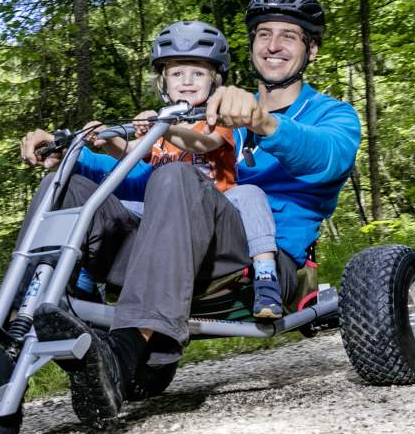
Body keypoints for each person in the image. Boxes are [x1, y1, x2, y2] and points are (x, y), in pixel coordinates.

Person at [17, 0, 361, 416]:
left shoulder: (332, 116)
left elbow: (327, 160)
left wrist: (265, 123)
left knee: (178, 177)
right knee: (67, 185)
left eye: (288, 36)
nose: (273, 46)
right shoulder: (202, 111)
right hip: (170, 248)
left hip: (256, 262)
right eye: (263, 34)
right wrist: (69, 155)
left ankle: (124, 353)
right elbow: (140, 177)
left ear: (310, 50)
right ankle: (24, 321)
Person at [84, 21, 289, 318]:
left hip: (218, 208)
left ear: (214, 81)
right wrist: (104, 138)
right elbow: (129, 153)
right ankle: (87, 284)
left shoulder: (217, 118)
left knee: (251, 194)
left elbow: (203, 144)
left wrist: (164, 129)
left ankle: (266, 276)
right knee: (108, 208)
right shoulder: (160, 125)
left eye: (198, 73)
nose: (188, 80)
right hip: (167, 213)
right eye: (178, 74)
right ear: (164, 83)